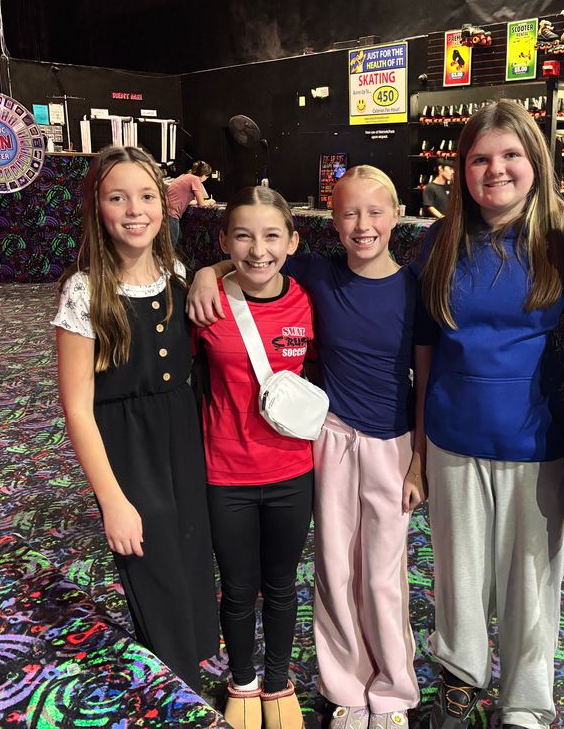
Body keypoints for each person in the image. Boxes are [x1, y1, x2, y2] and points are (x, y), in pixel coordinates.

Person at [187, 166, 424, 729]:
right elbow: (251, 253)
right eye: (348, 213)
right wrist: (206, 271)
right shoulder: (317, 274)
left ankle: (391, 690)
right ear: (328, 222)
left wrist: (421, 458)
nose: (363, 225)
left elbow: (428, 375)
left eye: (375, 212)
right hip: (329, 441)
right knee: (332, 570)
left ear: (398, 216)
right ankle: (343, 688)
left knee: (384, 575)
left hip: (392, 442)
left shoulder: (416, 285)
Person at [415, 99, 564, 729]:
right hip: (456, 432)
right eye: (480, 158)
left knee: (532, 581)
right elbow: (424, 345)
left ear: (535, 160)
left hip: (539, 439)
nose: (496, 169)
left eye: (510, 155)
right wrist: (422, 443)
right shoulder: (441, 239)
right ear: (461, 169)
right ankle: (461, 680)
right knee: (458, 574)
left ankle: (525, 702)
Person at [53, 146, 218, 692]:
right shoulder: (85, 292)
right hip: (128, 450)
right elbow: (77, 407)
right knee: (154, 570)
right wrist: (113, 500)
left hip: (184, 437)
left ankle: (188, 676)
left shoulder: (175, 271)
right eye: (116, 197)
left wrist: (208, 267)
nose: (133, 210)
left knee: (193, 555)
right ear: (96, 208)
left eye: (146, 196)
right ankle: (173, 691)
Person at [193, 186, 315, 729]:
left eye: (271, 236)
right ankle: (241, 679)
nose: (258, 250)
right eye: (242, 236)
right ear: (224, 240)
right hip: (226, 473)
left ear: (292, 240)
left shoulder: (308, 300)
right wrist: (204, 272)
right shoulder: (206, 302)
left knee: (283, 584)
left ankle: (277, 678)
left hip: (293, 470)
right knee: (239, 587)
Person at [167, 160, 215, 246]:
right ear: (204, 175)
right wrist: (210, 202)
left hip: (165, 213)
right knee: (171, 247)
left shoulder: (184, 176)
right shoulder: (195, 180)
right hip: (172, 215)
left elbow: (186, 199)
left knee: (178, 244)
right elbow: (201, 204)